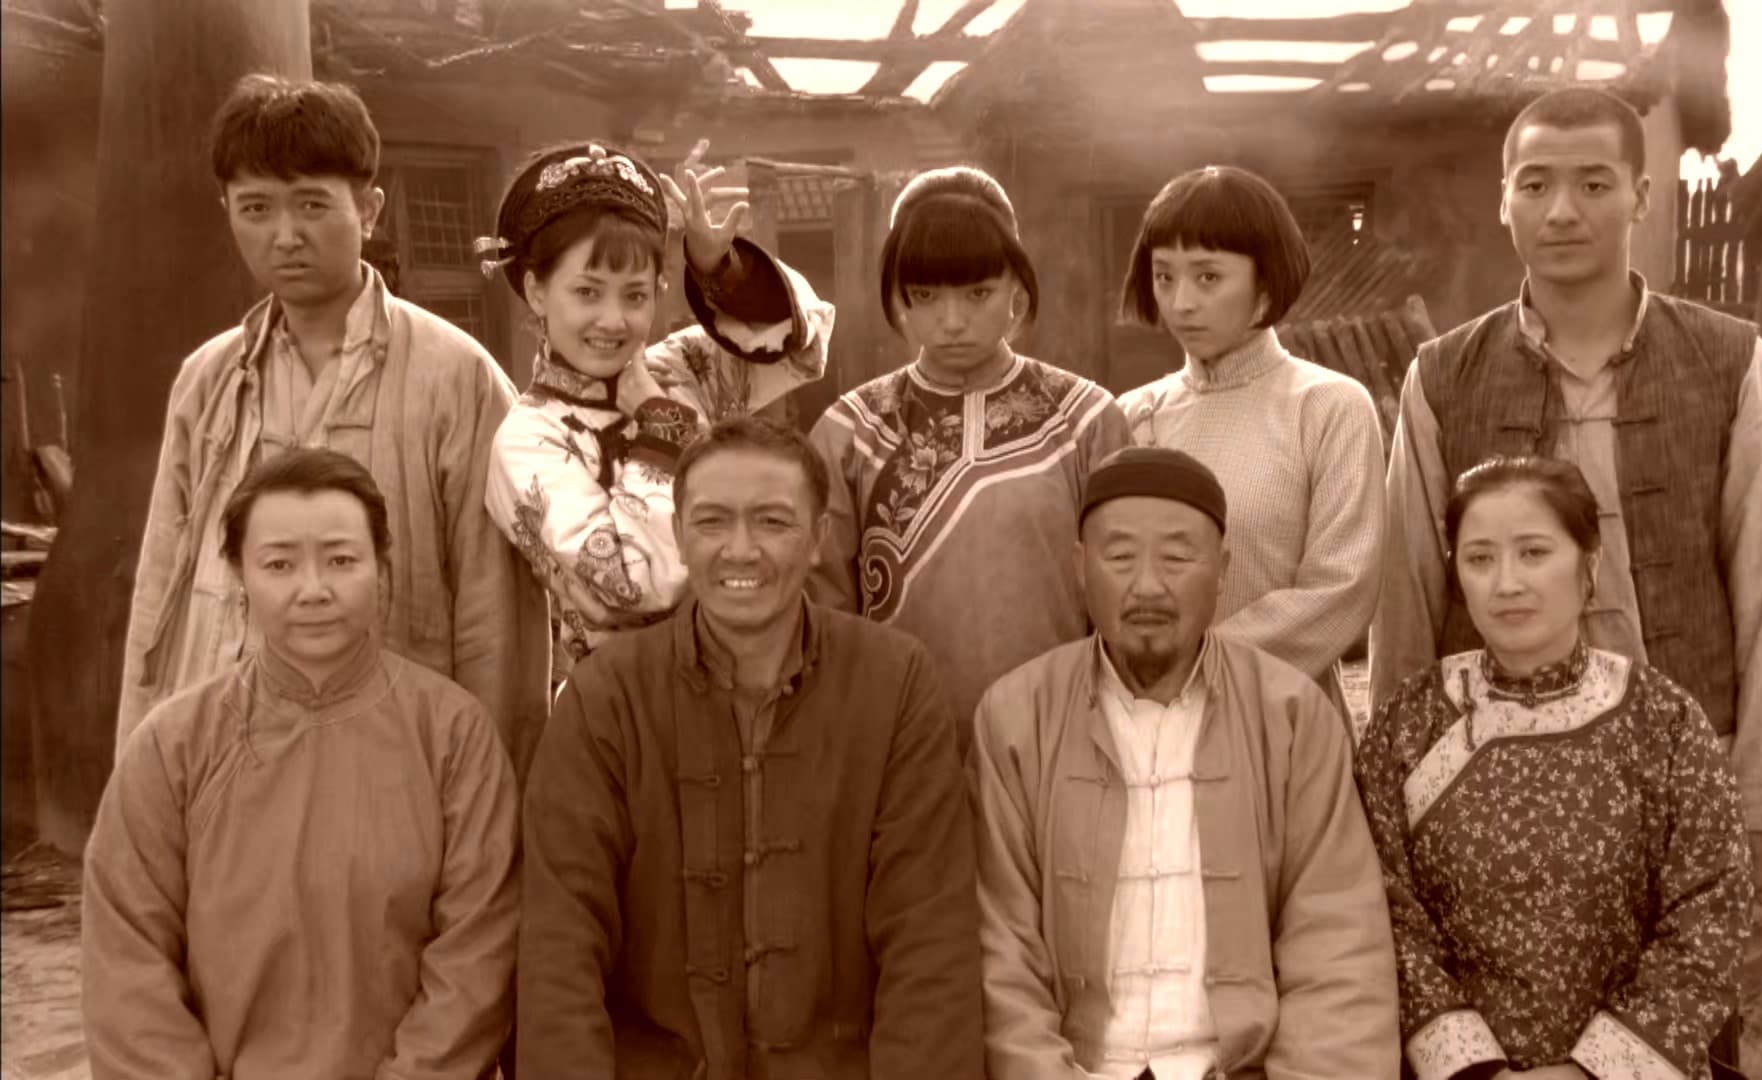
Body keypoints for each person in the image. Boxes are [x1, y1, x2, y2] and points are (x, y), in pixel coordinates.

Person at [1368, 87, 1762, 844]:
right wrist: (1400, 797)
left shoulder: (1730, 364)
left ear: (1640, 197)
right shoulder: (1445, 377)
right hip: (1492, 782)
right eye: (1535, 185)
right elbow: (1406, 599)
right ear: (1504, 200)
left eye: (1592, 184)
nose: (1561, 212)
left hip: (1687, 777)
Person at [516, 416, 983, 1077]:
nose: (740, 550)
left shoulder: (893, 683)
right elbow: (561, 944)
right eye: (711, 522)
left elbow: (928, 939)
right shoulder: (606, 696)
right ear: (679, 536)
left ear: (819, 538)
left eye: (772, 522)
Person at [118, 73, 550, 773]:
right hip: (225, 762)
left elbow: (494, 624)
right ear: (227, 211)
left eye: (312, 204)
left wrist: (483, 793)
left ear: (369, 210)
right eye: (255, 208)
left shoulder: (456, 378)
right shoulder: (208, 382)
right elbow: (159, 596)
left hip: (391, 766)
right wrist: (141, 778)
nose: (284, 235)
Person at [83, 448, 519, 1080]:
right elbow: (127, 966)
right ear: (238, 575)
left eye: (341, 560)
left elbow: (479, 950)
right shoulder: (172, 747)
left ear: (382, 569)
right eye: (279, 564)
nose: (313, 590)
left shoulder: (452, 735)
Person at [973, 445, 1400, 1079]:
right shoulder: (1016, 718)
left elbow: (1338, 947)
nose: (1148, 585)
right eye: (1120, 557)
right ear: (1079, 567)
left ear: (1223, 569)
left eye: (1177, 557)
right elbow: (1000, 951)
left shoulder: (1290, 717)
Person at [1356, 455, 1753, 1079]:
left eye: (1534, 553)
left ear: (1589, 566)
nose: (1506, 583)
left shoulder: (1663, 722)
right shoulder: (1408, 726)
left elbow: (1709, 913)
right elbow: (1382, 912)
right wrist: (1474, 1068)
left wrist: (1586, 1072)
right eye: (1480, 558)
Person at [481, 139, 831, 675]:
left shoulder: (681, 368)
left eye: (635, 295)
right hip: (621, 703)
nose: (613, 320)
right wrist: (661, 427)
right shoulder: (528, 439)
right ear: (536, 291)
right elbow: (636, 584)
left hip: (754, 681)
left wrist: (720, 268)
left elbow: (802, 348)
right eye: (588, 292)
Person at [809, 165, 1129, 736]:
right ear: (900, 297)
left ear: (1017, 289)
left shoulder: (1085, 420)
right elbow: (823, 609)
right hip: (898, 739)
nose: (952, 321)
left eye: (978, 293)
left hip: (1061, 734)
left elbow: (1119, 589)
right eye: (925, 295)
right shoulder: (852, 431)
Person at [1115, 165, 1385, 728]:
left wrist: (1192, 670)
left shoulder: (1329, 407)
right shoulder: (1132, 416)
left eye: (1208, 277)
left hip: (1285, 724)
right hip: (1145, 724)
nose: (1181, 302)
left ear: (1266, 282)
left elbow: (1342, 588)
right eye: (1164, 276)